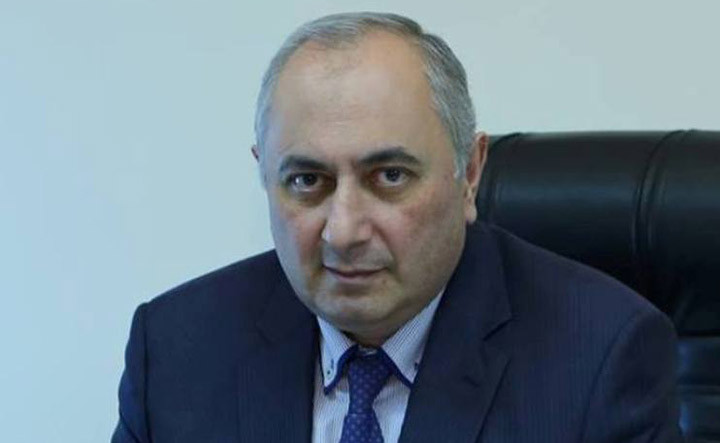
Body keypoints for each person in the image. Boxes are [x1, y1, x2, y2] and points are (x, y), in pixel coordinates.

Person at [112, 12, 682, 443]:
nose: (343, 232)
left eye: (389, 176)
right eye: (307, 180)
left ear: (469, 172)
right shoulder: (175, 351)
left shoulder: (601, 359)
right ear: (264, 172)